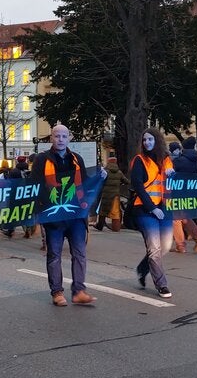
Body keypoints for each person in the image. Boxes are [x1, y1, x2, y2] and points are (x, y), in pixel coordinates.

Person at [30, 124, 96, 306]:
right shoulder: (42, 160)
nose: (60, 139)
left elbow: (84, 183)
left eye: (64, 136)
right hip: (53, 217)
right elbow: (34, 186)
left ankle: (79, 291)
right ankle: (57, 292)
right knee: (54, 255)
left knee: (80, 253)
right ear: (51, 138)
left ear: (69, 138)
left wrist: (100, 177)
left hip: (75, 216)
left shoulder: (77, 159)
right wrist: (39, 211)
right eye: (57, 136)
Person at [129, 128, 175, 299]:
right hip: (145, 209)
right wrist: (152, 208)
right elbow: (138, 186)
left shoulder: (167, 160)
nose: (147, 142)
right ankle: (162, 285)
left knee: (166, 246)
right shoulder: (139, 160)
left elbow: (172, 184)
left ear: (157, 140)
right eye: (144, 140)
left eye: (150, 139)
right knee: (154, 248)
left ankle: (143, 268)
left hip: (164, 208)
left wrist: (173, 176)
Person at [171, 137, 197, 252]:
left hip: (178, 192)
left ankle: (180, 245)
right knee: (185, 217)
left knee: (175, 218)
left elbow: (171, 174)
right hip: (190, 191)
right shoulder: (196, 160)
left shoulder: (179, 161)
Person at [93, 157, 128, 232]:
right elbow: (127, 181)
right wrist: (120, 183)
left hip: (105, 195)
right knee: (115, 212)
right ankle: (116, 228)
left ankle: (100, 226)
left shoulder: (105, 171)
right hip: (115, 195)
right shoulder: (119, 172)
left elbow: (99, 180)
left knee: (103, 211)